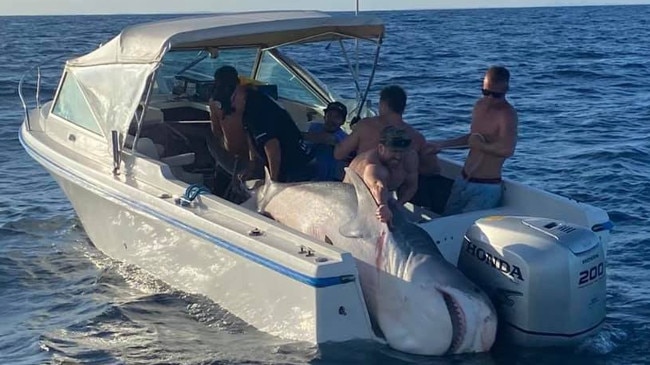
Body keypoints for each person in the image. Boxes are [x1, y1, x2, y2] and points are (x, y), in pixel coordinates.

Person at [429, 65, 518, 215]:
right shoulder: (479, 106)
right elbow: (471, 139)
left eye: (495, 95)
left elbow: (507, 149)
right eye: (486, 92)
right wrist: (441, 145)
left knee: (465, 231)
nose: (489, 98)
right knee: (446, 221)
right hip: (463, 180)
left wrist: (481, 146)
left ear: (505, 91)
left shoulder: (507, 115)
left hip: (486, 187)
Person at [334, 85, 439, 176]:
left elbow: (338, 154)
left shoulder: (365, 126)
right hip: (397, 190)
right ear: (403, 107)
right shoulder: (417, 137)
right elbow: (432, 170)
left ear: (383, 104)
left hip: (364, 187)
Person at [231, 82, 316, 183]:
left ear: (242, 93)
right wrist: (252, 165)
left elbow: (272, 145)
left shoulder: (256, 109)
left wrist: (273, 180)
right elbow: (251, 137)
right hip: (281, 162)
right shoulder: (245, 108)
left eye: (233, 98)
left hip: (294, 165)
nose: (231, 104)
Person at [344, 126, 419, 225]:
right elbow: (377, 185)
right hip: (350, 199)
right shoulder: (371, 163)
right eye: (394, 151)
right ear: (381, 148)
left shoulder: (410, 158)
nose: (398, 156)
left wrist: (399, 204)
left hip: (384, 198)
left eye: (402, 151)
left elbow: (411, 185)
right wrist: (383, 205)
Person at [302, 101, 349, 181]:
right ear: (324, 116)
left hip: (329, 181)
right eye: (329, 115)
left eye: (337, 117)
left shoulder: (344, 137)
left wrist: (294, 133)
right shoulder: (314, 127)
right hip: (308, 174)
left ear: (342, 122)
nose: (331, 120)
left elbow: (327, 139)